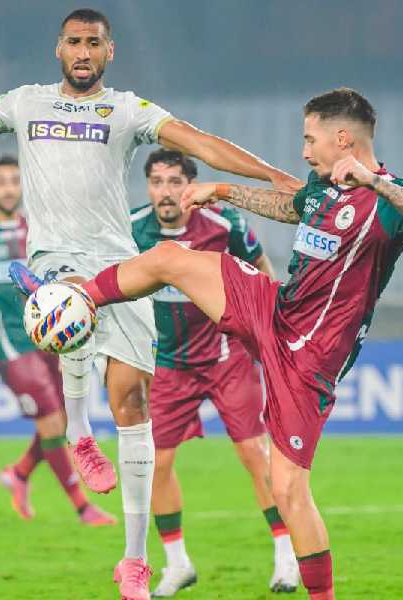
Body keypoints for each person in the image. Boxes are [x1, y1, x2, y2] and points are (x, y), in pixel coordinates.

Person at [0, 8, 298, 599]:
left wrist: (276, 176)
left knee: (132, 403)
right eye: (74, 41)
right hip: (54, 257)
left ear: (109, 51)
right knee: (67, 304)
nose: (82, 51)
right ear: (58, 48)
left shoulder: (127, 110)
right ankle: (77, 432)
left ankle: (135, 560)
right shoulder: (26, 103)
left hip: (121, 263)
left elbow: (198, 142)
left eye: (93, 43)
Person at [73, 88, 403, 599]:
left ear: (343, 138)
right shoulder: (322, 187)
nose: (304, 150)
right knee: (169, 257)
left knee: (288, 490)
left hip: (309, 360)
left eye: (310, 138)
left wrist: (374, 182)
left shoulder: (387, 202)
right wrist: (224, 191)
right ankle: (77, 298)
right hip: (273, 308)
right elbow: (290, 207)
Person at [131, 149, 298, 596]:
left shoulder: (224, 226)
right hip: (168, 364)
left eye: (174, 181)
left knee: (253, 455)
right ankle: (177, 563)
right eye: (157, 181)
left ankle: (285, 556)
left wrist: (269, 333)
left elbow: (264, 273)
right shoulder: (130, 229)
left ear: (190, 185)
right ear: (148, 186)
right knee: (156, 465)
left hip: (226, 357)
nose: (165, 191)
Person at [0, 155, 115, 527]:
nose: (9, 188)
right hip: (9, 344)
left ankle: (19, 473)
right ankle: (83, 507)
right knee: (51, 422)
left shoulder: (38, 227)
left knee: (61, 418)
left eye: (15, 181)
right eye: (1, 182)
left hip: (48, 338)